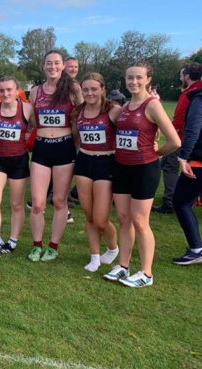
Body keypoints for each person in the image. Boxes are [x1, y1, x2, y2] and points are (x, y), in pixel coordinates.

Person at [104, 62, 180, 287]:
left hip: (144, 168)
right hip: (122, 167)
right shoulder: (125, 106)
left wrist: (155, 153)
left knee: (139, 220)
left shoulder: (152, 104)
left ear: (148, 79)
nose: (133, 82)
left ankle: (146, 273)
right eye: (129, 78)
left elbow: (175, 141)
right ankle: (123, 266)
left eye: (138, 77)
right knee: (123, 219)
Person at [28, 50, 83, 262]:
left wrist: (72, 140)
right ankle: (36, 245)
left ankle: (53, 246)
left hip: (63, 147)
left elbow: (79, 119)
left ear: (63, 66)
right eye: (49, 63)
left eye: (56, 63)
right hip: (42, 147)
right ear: (43, 66)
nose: (52, 66)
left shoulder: (73, 88)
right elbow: (33, 120)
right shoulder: (35, 91)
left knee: (59, 201)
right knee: (38, 202)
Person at [72, 73, 121, 272]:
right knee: (89, 215)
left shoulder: (114, 111)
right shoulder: (79, 112)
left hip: (106, 163)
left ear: (102, 89)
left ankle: (112, 248)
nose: (90, 93)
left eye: (94, 89)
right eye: (86, 89)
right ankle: (94, 256)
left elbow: (136, 128)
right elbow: (75, 136)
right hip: (84, 162)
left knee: (101, 219)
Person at [0, 76, 33, 259]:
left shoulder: (27, 109)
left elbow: (39, 128)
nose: (6, 94)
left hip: (18, 161)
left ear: (18, 90)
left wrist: (29, 135)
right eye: (2, 90)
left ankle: (12, 242)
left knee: (16, 204)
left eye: (9, 90)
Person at [153, 63, 202, 214]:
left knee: (169, 165)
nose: (180, 78)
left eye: (181, 75)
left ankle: (170, 202)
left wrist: (170, 137)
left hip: (184, 139)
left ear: (187, 76)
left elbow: (180, 121)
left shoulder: (191, 94)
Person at [172, 78, 202, 265]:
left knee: (181, 202)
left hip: (198, 162)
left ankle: (196, 249)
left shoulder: (198, 99)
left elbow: (193, 129)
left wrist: (184, 156)